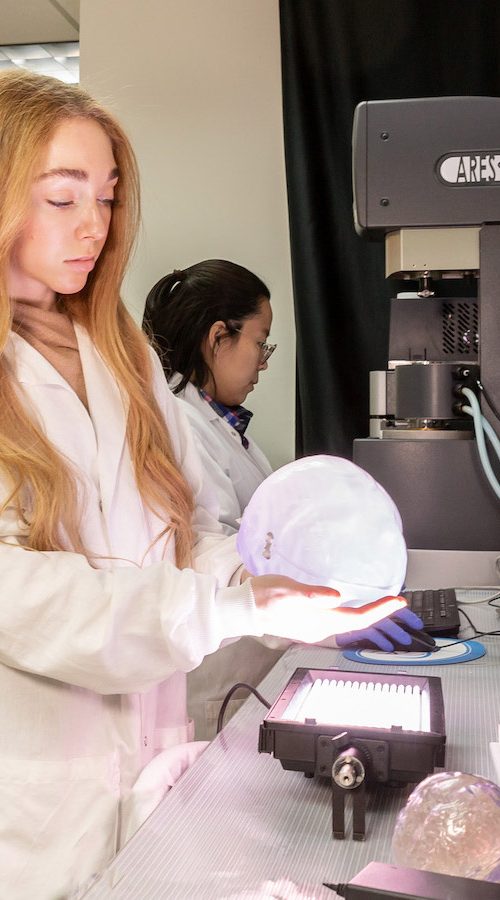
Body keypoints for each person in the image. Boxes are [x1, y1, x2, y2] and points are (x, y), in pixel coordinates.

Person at [0, 69, 405, 898]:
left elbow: (187, 527)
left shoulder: (122, 354)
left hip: (148, 761)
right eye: (63, 196)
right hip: (30, 796)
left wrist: (272, 584)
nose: (94, 226)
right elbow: (20, 593)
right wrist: (236, 609)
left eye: (107, 198)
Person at [143, 260, 274, 535]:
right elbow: (214, 543)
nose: (263, 363)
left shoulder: (215, 422)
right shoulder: (181, 425)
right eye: (260, 343)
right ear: (218, 337)